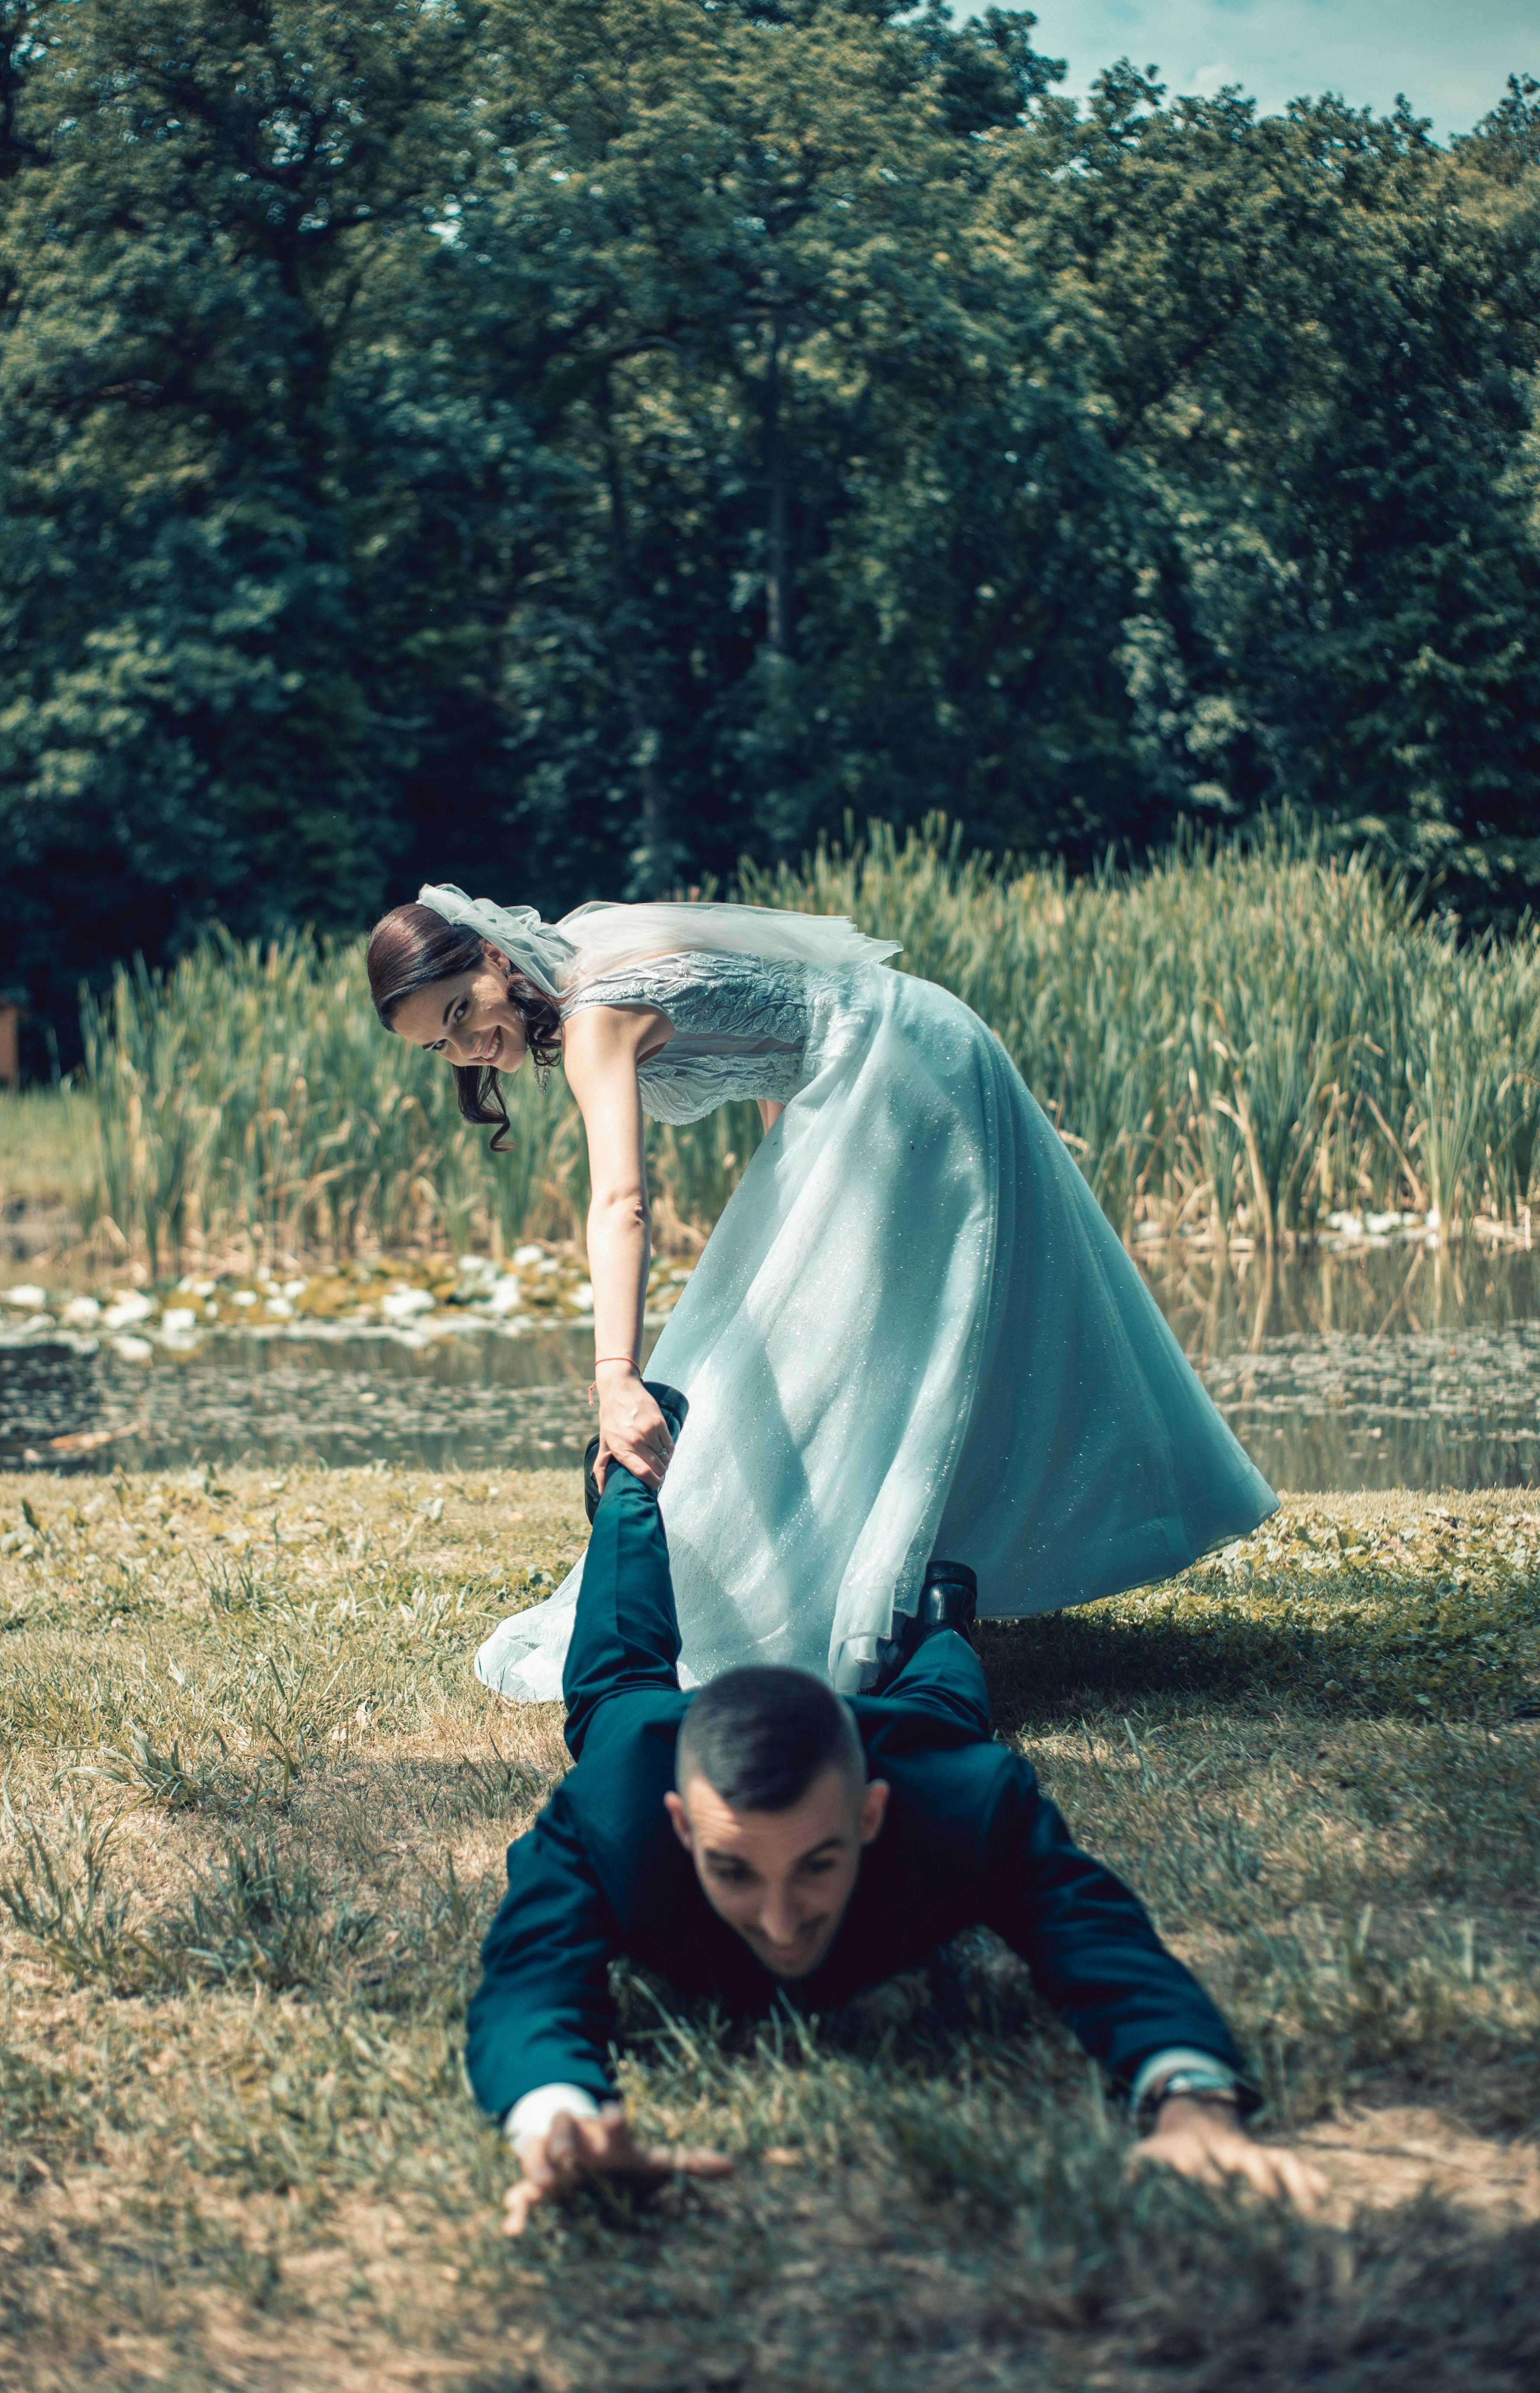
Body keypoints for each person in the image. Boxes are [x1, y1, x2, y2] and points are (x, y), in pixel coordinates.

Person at [366, 882, 1276, 1699]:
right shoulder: (587, 966)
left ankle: (866, 1585)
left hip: (903, 1067)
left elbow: (619, 1201)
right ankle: (905, 1575)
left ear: (490, 956)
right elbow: (786, 1030)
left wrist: (616, 1376)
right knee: (849, 1326)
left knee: (890, 1332)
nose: (466, 1045)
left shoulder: (594, 1014)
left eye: (459, 1010)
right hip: (907, 1043)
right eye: (438, 1043)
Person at [466, 1387, 1324, 2236]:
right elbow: (529, 1982)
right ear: (683, 1827)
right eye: (733, 1869)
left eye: (817, 1864)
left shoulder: (966, 1804)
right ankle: (625, 1489)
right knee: (613, 1677)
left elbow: (1099, 1941)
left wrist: (1195, 2103)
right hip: (659, 1735)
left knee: (945, 1713)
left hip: (905, 1740)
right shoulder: (607, 1818)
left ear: (872, 1814)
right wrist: (554, 2120)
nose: (780, 1920)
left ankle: (942, 1618)